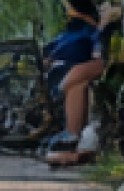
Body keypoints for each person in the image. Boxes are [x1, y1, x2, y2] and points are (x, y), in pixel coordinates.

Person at [47, 0, 112, 166]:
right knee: (75, 81)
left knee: (75, 79)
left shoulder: (91, 26)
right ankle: (73, 139)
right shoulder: (82, 28)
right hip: (97, 52)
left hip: (104, 56)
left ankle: (73, 138)